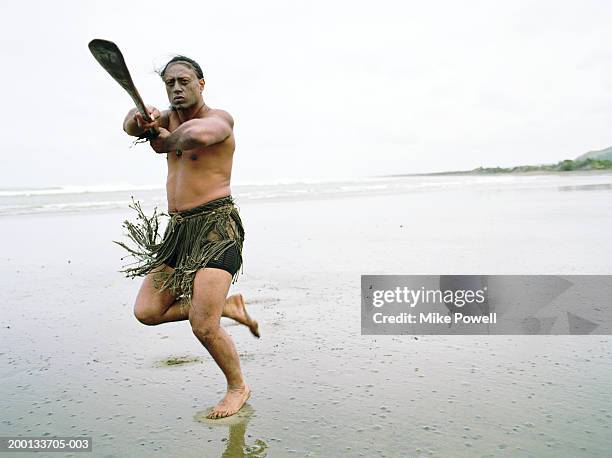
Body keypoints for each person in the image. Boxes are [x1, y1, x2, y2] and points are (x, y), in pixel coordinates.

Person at [118, 55, 258, 419]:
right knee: (147, 312)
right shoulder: (164, 118)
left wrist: (165, 140)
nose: (177, 88)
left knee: (203, 325)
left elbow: (196, 136)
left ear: (201, 83)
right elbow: (129, 127)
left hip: (216, 228)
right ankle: (227, 305)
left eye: (184, 81)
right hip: (179, 233)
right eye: (170, 83)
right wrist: (140, 120)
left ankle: (237, 386)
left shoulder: (219, 119)